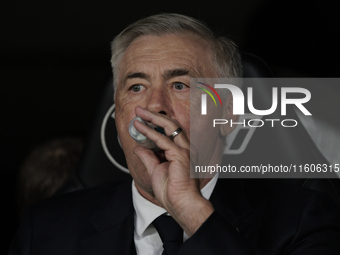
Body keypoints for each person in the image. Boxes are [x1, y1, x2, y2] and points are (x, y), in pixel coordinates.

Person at [8, 13, 340, 255]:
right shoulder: (48, 230)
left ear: (227, 115)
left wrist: (193, 212)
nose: (155, 106)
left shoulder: (303, 222)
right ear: (117, 113)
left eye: (179, 85)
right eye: (136, 87)